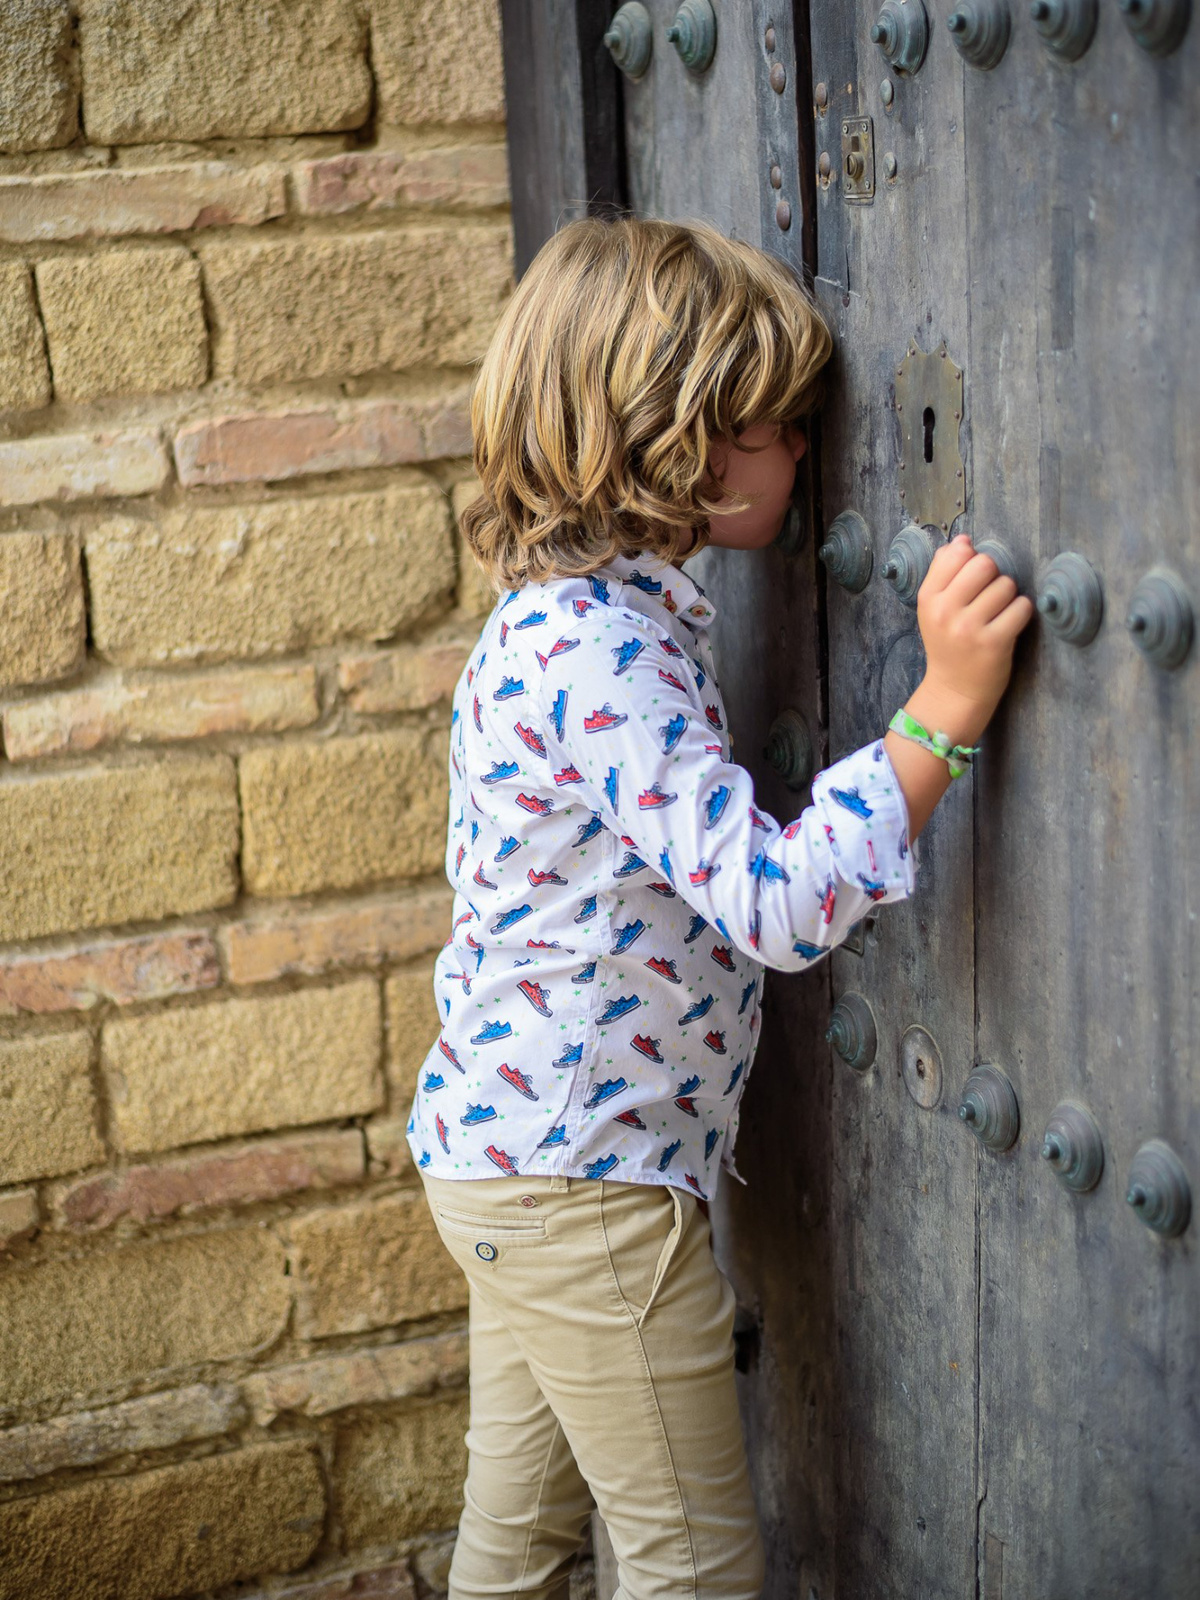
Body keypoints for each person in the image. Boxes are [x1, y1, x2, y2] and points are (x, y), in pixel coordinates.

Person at [407, 216, 1033, 1599]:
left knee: (515, 1548)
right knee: (693, 1569)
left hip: (504, 1161)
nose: (804, 448)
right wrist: (944, 712)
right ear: (668, 438)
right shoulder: (602, 652)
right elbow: (770, 902)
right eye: (774, 423)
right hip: (586, 1189)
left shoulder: (560, 619)